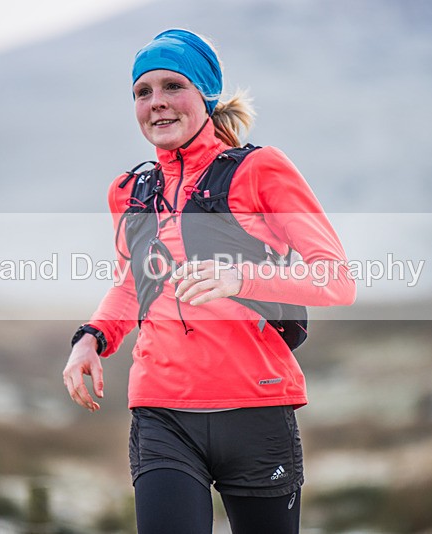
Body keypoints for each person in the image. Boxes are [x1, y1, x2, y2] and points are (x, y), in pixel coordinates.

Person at [63, 28, 355, 534]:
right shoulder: (129, 191)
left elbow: (336, 279)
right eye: (142, 91)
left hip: (256, 406)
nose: (156, 103)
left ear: (207, 95)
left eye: (173, 86)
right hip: (163, 411)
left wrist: (239, 277)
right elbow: (134, 284)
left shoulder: (260, 169)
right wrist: (91, 338)